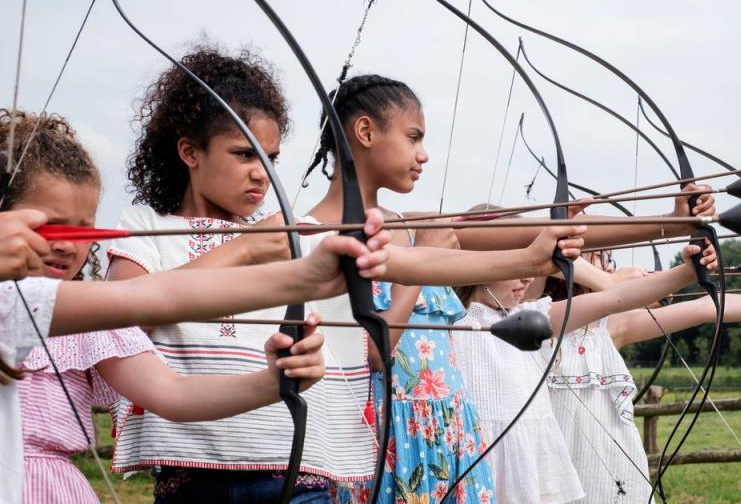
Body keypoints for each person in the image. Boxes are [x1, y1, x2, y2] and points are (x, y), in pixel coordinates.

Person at [106, 55, 583, 503]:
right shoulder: (149, 233)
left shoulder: (287, 237)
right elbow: (124, 308)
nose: (263, 175)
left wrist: (531, 259)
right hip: (196, 481)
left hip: (301, 476)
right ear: (189, 151)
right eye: (243, 154)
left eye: (271, 158)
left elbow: (414, 264)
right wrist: (246, 247)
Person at [0, 109, 335, 504]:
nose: (68, 245)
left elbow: (173, 391)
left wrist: (274, 381)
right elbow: (154, 297)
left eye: (85, 230)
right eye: (53, 226)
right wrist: (296, 271)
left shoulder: (90, 318)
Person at [304, 74, 597, 504]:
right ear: (365, 132)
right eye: (413, 137)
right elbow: (372, 351)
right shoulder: (316, 236)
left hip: (447, 431)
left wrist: (675, 220)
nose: (423, 155)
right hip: (385, 438)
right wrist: (419, 266)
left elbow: (521, 234)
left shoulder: (408, 223)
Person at [542, 250, 741, 502]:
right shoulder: (535, 322)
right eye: (598, 257)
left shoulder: (611, 327)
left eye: (609, 258)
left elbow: (705, 307)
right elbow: (531, 261)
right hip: (556, 476)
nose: (608, 266)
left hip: (617, 477)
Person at [450, 242, 715, 504]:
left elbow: (614, 298)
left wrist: (686, 273)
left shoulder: (534, 317)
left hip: (527, 471)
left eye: (529, 267)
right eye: (516, 266)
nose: (528, 276)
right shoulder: (447, 326)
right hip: (472, 464)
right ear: (480, 267)